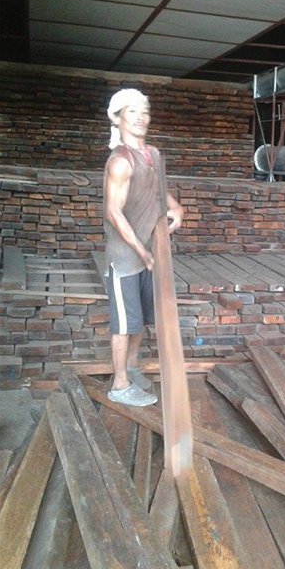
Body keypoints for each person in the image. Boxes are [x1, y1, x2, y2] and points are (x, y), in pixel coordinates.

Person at [103, 88, 184, 406]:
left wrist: (176, 206)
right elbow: (113, 212)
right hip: (126, 258)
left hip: (150, 253)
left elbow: (159, 188)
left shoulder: (152, 154)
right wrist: (141, 250)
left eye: (145, 111)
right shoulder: (120, 162)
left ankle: (132, 367)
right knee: (124, 323)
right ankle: (119, 385)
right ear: (118, 117)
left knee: (139, 319)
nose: (141, 117)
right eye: (133, 111)